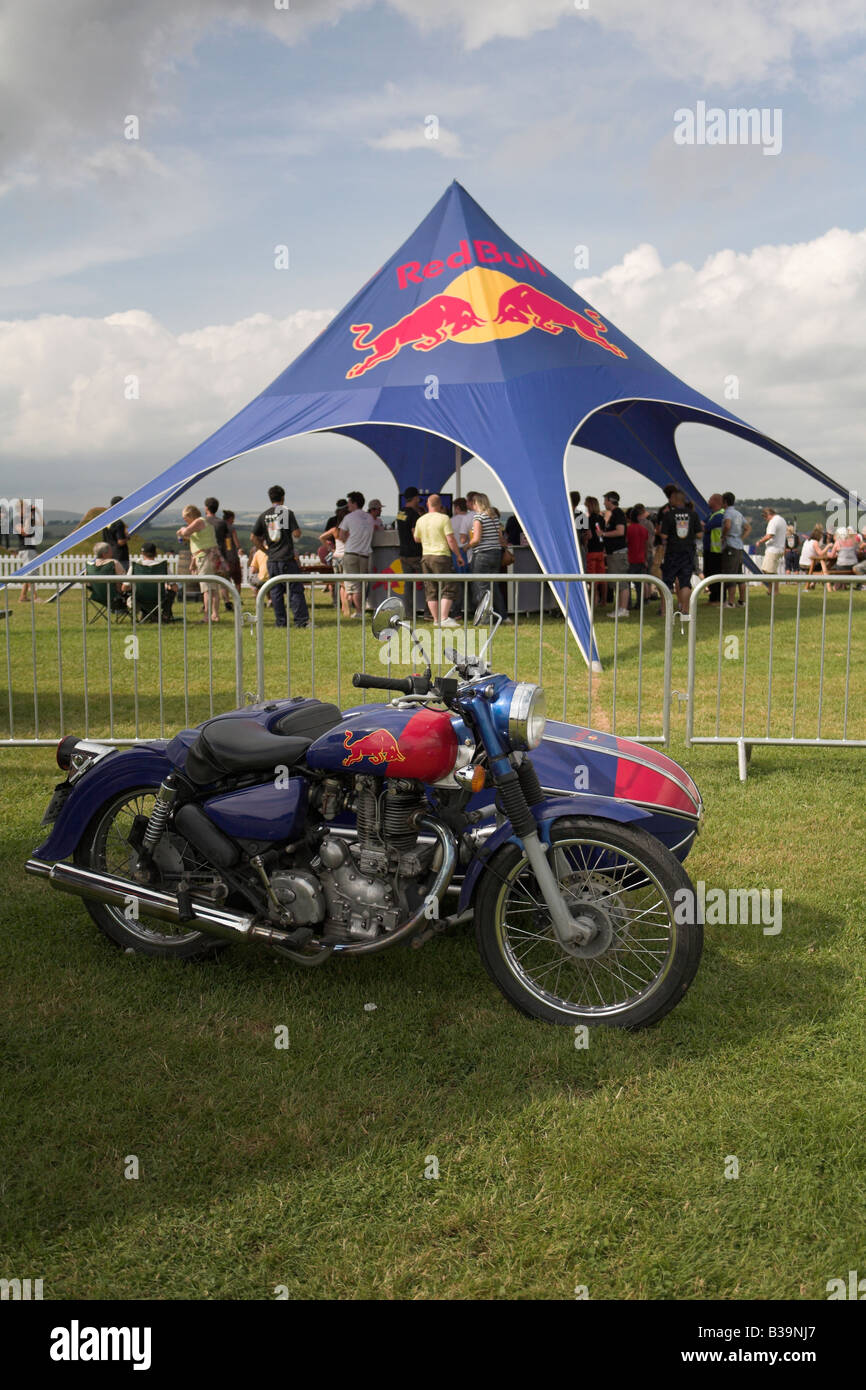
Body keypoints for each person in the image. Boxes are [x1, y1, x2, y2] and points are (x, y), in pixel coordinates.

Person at [251, 485, 309, 629]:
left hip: (272, 559)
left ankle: (281, 622)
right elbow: (297, 534)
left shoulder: (264, 515)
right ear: (283, 497)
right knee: (295, 590)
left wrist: (265, 551)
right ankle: (301, 621)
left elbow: (253, 537)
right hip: (287, 557)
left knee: (275, 592)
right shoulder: (286, 512)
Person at [414, 493, 465, 626]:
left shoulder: (421, 520)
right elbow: (450, 539)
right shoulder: (444, 518)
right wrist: (458, 555)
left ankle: (436, 619)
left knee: (430, 589)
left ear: (427, 504)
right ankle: (444, 617)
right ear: (440, 505)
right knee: (448, 586)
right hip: (441, 556)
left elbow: (416, 538)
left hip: (426, 556)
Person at [658, 489, 702, 617]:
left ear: (676, 499)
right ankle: (685, 610)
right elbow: (699, 534)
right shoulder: (693, 514)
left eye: (671, 498)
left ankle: (665, 611)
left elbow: (664, 535)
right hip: (688, 552)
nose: (669, 500)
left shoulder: (669, 515)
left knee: (666, 582)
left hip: (672, 552)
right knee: (685, 582)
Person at [466, 493, 508, 622]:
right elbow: (500, 538)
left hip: (482, 555)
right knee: (494, 586)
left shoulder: (478, 517)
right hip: (496, 554)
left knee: (481, 586)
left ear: (475, 503)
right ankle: (503, 616)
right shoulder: (494, 517)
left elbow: (477, 539)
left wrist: (466, 546)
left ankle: (484, 618)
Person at [177, 504, 221, 622]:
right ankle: (214, 615)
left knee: (206, 589)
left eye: (185, 518)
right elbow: (198, 543)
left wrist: (181, 530)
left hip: (205, 558)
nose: (185, 520)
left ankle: (208, 616)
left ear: (190, 515)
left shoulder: (198, 522)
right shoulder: (203, 523)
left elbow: (186, 532)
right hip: (207, 557)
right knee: (213, 588)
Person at [338, 491, 375, 618]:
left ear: (354, 503)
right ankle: (359, 609)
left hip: (351, 553)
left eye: (349, 502)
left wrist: (349, 538)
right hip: (365, 555)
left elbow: (341, 536)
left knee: (353, 585)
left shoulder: (349, 518)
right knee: (362, 583)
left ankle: (359, 611)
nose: (347, 504)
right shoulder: (369, 517)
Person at [123, 541, 176, 622]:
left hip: (139, 599)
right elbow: (174, 587)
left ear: (142, 553)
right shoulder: (163, 567)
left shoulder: (135, 567)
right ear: (156, 553)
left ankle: (142, 616)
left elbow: (124, 587)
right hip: (159, 599)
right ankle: (165, 615)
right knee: (171, 593)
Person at [396, 485, 425, 618]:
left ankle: (408, 613)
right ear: (415, 498)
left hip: (403, 553)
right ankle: (429, 612)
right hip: (415, 554)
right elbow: (415, 535)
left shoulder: (400, 513)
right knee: (427, 583)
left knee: (408, 585)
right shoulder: (414, 514)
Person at [601, 490, 629, 619]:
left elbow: (620, 531)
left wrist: (604, 534)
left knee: (621, 582)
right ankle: (620, 608)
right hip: (615, 553)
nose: (604, 503)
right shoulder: (615, 514)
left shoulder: (618, 514)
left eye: (605, 500)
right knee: (618, 582)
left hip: (618, 553)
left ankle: (623, 609)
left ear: (610, 501)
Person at [720, 491, 750, 607]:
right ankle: (742, 600)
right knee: (739, 574)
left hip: (730, 545)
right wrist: (741, 538)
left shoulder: (728, 513)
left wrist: (723, 535)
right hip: (738, 545)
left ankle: (731, 602)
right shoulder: (738, 513)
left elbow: (727, 525)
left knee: (730, 574)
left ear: (725, 502)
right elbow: (748, 528)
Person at [319, 504, 350, 615]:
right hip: (346, 558)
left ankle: (344, 609)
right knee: (347, 585)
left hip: (336, 557)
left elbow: (321, 537)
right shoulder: (349, 530)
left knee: (342, 585)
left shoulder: (334, 530)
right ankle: (347, 609)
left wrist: (330, 549)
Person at [15, 498, 43, 603]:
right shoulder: (17, 520)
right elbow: (25, 532)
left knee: (29, 573)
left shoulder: (29, 518)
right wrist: (27, 518)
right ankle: (35, 597)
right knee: (31, 573)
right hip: (25, 549)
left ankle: (23, 597)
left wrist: (37, 512)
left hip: (32, 549)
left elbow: (42, 524)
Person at [756, 506, 787, 592]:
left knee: (769, 571)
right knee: (769, 570)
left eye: (765, 517)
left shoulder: (773, 521)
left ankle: (774, 591)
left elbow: (770, 535)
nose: (766, 520)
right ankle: (771, 590)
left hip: (773, 549)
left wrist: (760, 541)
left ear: (768, 515)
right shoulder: (781, 519)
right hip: (780, 548)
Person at [583, 495, 607, 604]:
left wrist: (584, 539)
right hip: (600, 550)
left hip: (592, 550)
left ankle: (594, 599)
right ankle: (604, 600)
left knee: (592, 578)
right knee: (602, 577)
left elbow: (589, 535)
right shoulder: (601, 518)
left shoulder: (588, 519)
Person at [703, 493, 726, 604]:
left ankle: (718, 598)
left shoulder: (720, 515)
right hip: (711, 550)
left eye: (710, 499)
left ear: (716, 501)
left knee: (715, 574)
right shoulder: (713, 514)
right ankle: (713, 597)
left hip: (716, 551)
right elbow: (703, 524)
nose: (708, 501)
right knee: (709, 573)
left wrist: (703, 526)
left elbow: (705, 526)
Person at [626, 504, 649, 609]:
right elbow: (646, 545)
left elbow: (626, 543)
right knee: (639, 584)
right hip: (641, 559)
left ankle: (628, 603)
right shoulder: (644, 530)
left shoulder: (629, 529)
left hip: (630, 558)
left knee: (627, 583)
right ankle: (640, 603)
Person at [103, 496, 130, 572]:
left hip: (108, 555)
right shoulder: (119, 523)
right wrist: (127, 537)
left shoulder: (106, 521)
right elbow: (120, 542)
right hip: (120, 557)